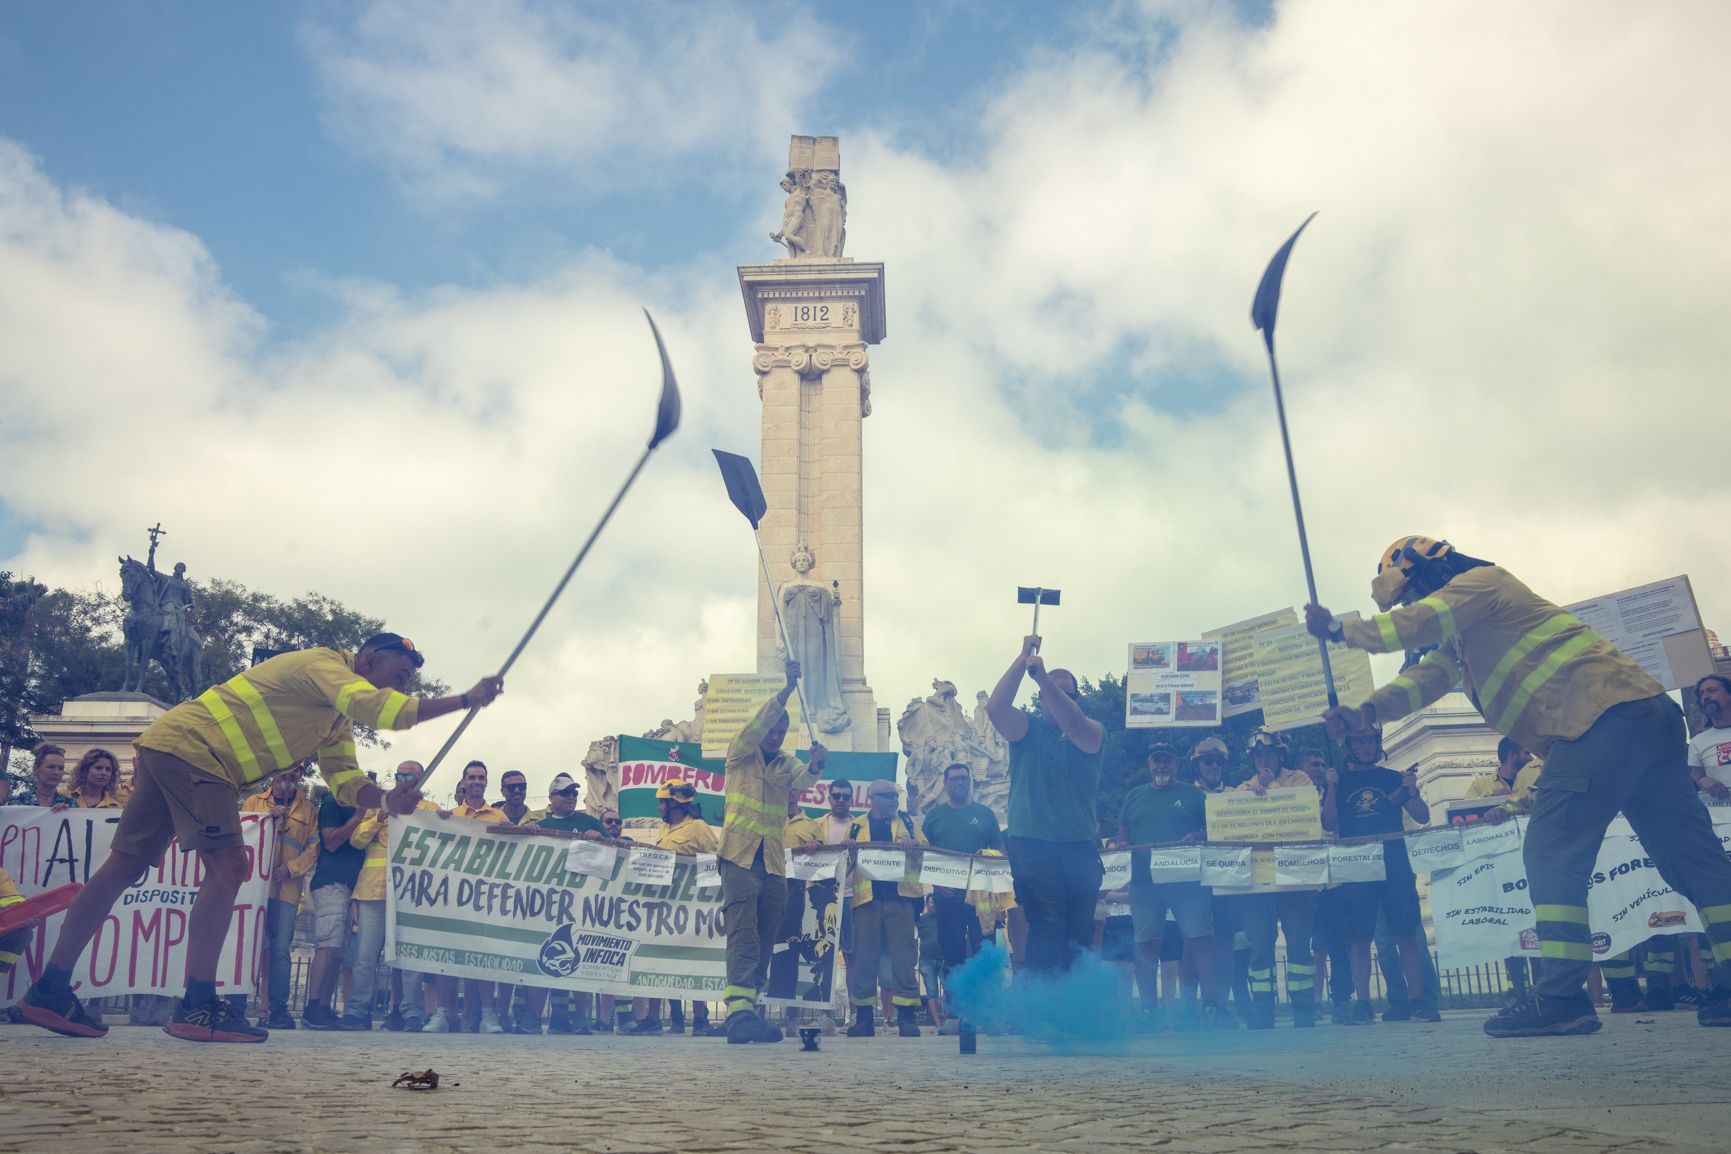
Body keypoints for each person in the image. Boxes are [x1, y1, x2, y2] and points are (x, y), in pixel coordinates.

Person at [1308, 535, 1731, 1035]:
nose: (1412, 605)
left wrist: (1341, 630)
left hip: (1596, 721)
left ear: (1432, 572)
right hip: (1648, 718)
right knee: (1691, 858)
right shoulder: (1464, 638)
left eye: (1411, 593)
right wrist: (1365, 712)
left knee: (1550, 852)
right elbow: (1422, 680)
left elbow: (1422, 621)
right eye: (1405, 601)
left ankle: (1561, 995)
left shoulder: (1481, 583)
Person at [16, 632, 503, 1042]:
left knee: (121, 867)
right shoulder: (324, 666)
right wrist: (464, 700)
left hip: (171, 745)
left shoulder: (335, 718)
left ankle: (51, 988)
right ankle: (197, 1005)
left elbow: (345, 781)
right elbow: (382, 710)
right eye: (400, 676)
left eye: (408, 683)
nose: (403, 686)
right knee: (229, 867)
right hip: (199, 755)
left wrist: (383, 800)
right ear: (370, 659)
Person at [985, 634, 1106, 978]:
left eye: (1067, 694)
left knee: (1080, 929)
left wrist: (1043, 678)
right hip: (1032, 843)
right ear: (1040, 700)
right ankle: (1046, 1008)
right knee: (1048, 924)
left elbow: (1074, 724)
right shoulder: (1028, 729)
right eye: (1053, 693)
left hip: (1079, 844)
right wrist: (1022, 659)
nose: (1058, 699)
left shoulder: (1093, 732)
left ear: (1076, 699)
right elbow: (995, 709)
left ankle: (1074, 1005)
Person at [718, 660, 826, 1044]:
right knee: (743, 936)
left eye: (783, 731)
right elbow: (757, 726)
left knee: (765, 939)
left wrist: (816, 764)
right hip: (740, 858)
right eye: (773, 728)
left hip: (773, 863)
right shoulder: (739, 753)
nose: (776, 735)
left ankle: (751, 1009)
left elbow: (806, 779)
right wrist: (787, 689)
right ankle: (738, 1015)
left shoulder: (785, 763)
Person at [1319, 725, 1430, 1026]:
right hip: (1357, 863)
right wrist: (1330, 788)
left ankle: (1418, 1000)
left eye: (1371, 740)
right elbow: (1329, 823)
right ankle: (1364, 1002)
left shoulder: (1393, 778)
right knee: (1358, 937)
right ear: (1350, 745)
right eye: (1360, 740)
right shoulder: (1339, 782)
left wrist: (1412, 790)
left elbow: (1422, 816)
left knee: (1405, 933)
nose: (1367, 746)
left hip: (1395, 861)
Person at [1114, 741, 1223, 1029]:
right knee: (1146, 944)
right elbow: (1122, 834)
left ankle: (1211, 1004)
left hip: (1186, 879)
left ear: (1176, 765)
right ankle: (1149, 1010)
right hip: (1144, 881)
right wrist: (1121, 842)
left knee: (1199, 939)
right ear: (1149, 765)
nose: (1162, 765)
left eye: (1167, 761)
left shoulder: (1193, 794)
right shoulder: (1134, 796)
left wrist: (1197, 835)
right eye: (1156, 760)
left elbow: (1211, 831)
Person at [1234, 729, 1320, 1028]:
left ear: (1281, 755)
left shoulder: (1300, 779)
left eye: (1268, 753)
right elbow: (1232, 822)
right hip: (1257, 879)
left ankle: (1304, 1009)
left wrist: (1270, 789)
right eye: (1258, 755)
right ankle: (1262, 1010)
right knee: (1260, 947)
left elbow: (1303, 809)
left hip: (1295, 875)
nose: (1263, 759)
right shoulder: (1242, 789)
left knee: (1298, 944)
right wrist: (1259, 789)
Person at [627, 779, 721, 1037]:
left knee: (695, 961)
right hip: (663, 906)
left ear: (674, 803)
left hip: (692, 907)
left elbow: (715, 861)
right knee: (659, 960)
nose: (658, 807)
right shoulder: (663, 829)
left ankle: (701, 1021)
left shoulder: (699, 828)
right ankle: (659, 1019)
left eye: (661, 802)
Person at [920, 761, 1003, 1028]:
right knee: (953, 954)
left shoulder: (985, 814)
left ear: (970, 782)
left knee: (984, 951)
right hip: (947, 896)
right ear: (945, 784)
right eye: (954, 779)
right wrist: (935, 881)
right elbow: (925, 856)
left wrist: (989, 862)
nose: (959, 783)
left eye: (963, 779)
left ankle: (984, 1012)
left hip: (981, 897)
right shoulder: (934, 817)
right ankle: (954, 1013)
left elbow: (1000, 853)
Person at [843, 780, 926, 1037]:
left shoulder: (909, 824)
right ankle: (864, 1020)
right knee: (865, 961)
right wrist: (850, 855)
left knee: (903, 959)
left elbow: (925, 854)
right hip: (866, 903)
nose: (894, 800)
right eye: (889, 796)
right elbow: (845, 867)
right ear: (873, 799)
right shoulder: (856, 827)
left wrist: (914, 846)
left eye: (895, 795)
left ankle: (907, 1018)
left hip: (901, 901)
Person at [1465, 739, 1544, 1007]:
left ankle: (1540, 986)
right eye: (1526, 750)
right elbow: (1466, 820)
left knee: (1535, 923)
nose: (1530, 755)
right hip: (1500, 867)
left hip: (1530, 860)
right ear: (1512, 755)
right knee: (1510, 928)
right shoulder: (1481, 786)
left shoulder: (1536, 777)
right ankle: (1516, 988)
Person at [239, 765, 319, 1029]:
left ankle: (277, 1009)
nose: (290, 776)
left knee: (280, 951)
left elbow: (313, 848)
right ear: (274, 774)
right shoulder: (254, 802)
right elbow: (243, 834)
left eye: (296, 771)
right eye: (285, 771)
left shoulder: (308, 810)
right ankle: (236, 1004)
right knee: (248, 946)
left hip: (286, 889)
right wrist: (266, 818)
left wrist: (291, 868)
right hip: (255, 887)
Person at [521, 772, 599, 1034]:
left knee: (580, 958)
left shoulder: (588, 820)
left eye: (574, 793)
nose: (571, 797)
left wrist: (598, 836)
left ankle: (579, 1019)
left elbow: (618, 846)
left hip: (581, 903)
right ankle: (533, 1018)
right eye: (565, 793)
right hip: (545, 903)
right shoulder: (539, 824)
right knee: (540, 959)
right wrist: (528, 833)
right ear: (551, 797)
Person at [438, 761, 507, 1033]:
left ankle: (488, 1015)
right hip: (453, 896)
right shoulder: (449, 815)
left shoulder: (499, 818)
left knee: (483, 956)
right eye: (472, 777)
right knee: (447, 956)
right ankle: (443, 1013)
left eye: (481, 778)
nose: (477, 781)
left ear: (486, 783)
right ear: (463, 781)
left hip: (485, 897)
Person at [302, 781, 369, 1030]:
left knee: (338, 951)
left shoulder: (359, 807)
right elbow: (330, 841)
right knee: (328, 946)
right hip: (331, 883)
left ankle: (323, 1007)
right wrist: (358, 818)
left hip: (348, 887)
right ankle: (313, 1005)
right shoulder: (333, 802)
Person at [1686, 674, 1731, 803]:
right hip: (1723, 818)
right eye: (1702, 694)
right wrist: (1703, 781)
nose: (1705, 696)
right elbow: (1696, 777)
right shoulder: (1698, 742)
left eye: (1712, 690)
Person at [19, 743, 68, 809]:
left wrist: (67, 813)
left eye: (61, 768)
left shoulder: (69, 804)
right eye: (51, 767)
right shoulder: (18, 802)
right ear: (35, 769)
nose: (56, 772)